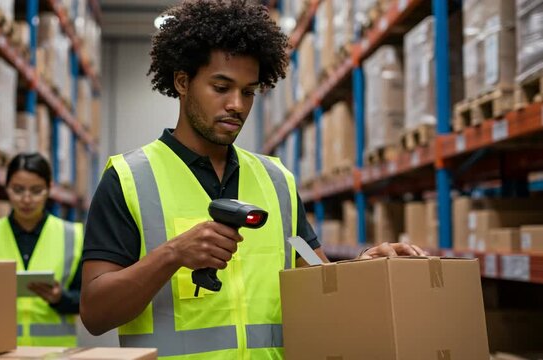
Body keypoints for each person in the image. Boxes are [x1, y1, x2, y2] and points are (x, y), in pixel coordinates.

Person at [80, 0, 426, 358]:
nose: (237, 105)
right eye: (221, 87)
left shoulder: (276, 180)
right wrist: (172, 254)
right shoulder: (129, 178)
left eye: (248, 91)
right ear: (182, 82)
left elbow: (320, 278)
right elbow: (95, 313)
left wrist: (365, 265)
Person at [0, 153, 84, 347]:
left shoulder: (71, 235)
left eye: (36, 190)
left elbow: (88, 299)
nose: (26, 199)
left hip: (55, 354)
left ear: (49, 189)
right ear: (6, 188)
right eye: (17, 190)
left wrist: (61, 298)